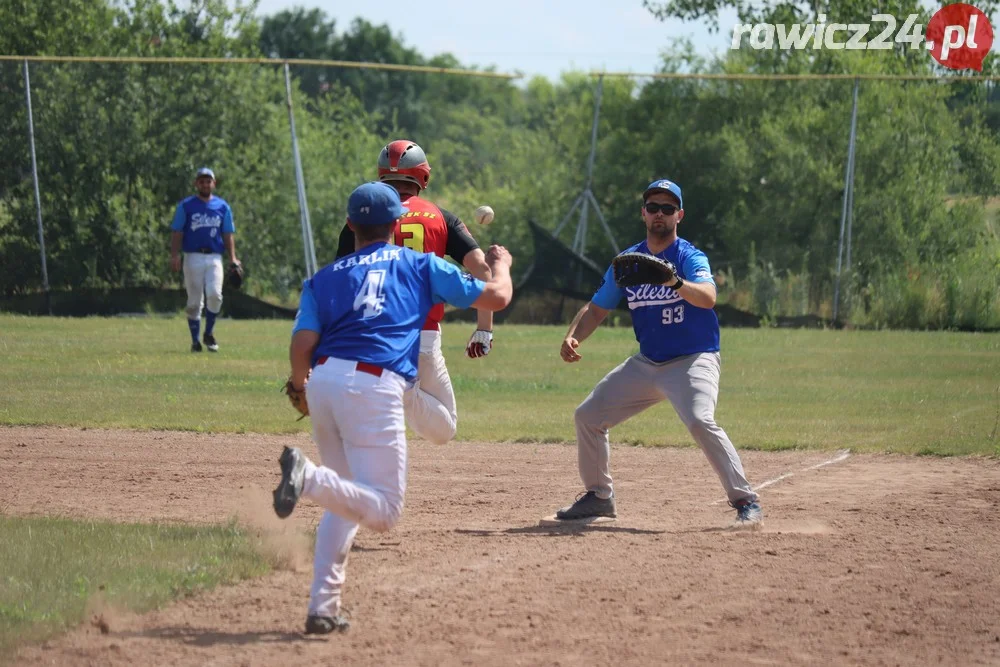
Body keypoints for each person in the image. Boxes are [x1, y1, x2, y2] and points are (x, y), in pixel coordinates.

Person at [273, 181, 514, 634]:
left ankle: (322, 608)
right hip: (376, 383)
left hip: (324, 381)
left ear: (350, 224)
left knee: (345, 499)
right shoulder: (421, 266)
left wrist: (300, 384)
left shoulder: (326, 277)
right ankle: (306, 477)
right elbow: (496, 296)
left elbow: (302, 342)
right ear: (396, 222)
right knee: (384, 510)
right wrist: (501, 265)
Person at [552, 178, 762, 526]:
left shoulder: (689, 257)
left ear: (679, 215)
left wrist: (675, 283)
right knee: (588, 416)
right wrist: (573, 336)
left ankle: (745, 501)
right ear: (643, 213)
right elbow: (597, 309)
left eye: (668, 208)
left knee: (698, 420)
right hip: (648, 364)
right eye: (653, 208)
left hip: (693, 359)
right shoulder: (627, 263)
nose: (659, 214)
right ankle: (599, 497)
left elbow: (709, 298)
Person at [334, 140, 494, 445]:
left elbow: (342, 280)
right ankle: (401, 389)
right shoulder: (441, 217)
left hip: (375, 335)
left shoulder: (363, 218)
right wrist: (483, 330)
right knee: (444, 430)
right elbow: (482, 271)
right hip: (425, 335)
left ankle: (394, 387)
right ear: (423, 176)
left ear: (381, 176)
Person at [169, 167, 240, 352]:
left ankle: (208, 334)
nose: (205, 184)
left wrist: (233, 258)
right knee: (194, 302)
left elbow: (227, 234)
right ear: (196, 184)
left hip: (215, 257)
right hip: (192, 256)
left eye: (208, 181)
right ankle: (195, 342)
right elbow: (177, 232)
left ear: (214, 184)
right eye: (202, 180)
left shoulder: (222, 207)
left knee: (215, 295)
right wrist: (174, 255)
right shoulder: (186, 206)